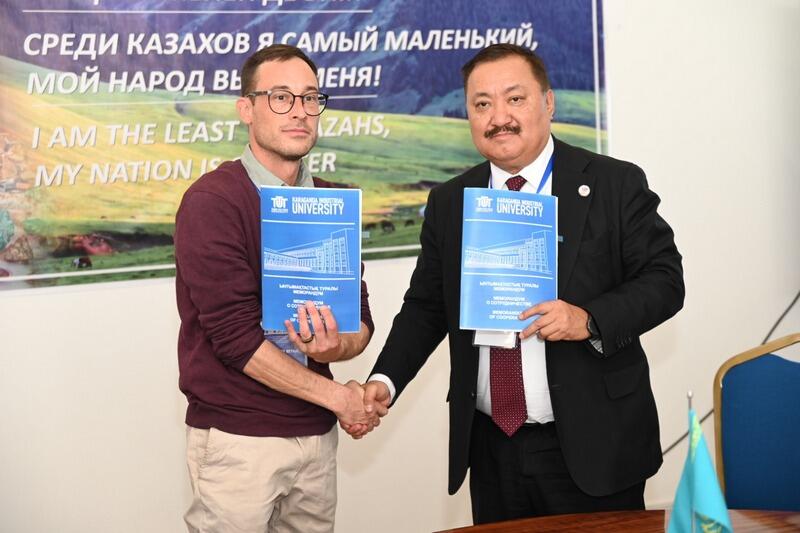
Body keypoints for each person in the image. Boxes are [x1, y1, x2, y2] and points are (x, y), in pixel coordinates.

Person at [358, 43, 685, 524]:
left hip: (593, 445)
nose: (499, 118)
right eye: (482, 104)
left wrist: (588, 319)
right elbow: (427, 306)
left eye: (515, 99)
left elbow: (664, 280)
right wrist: (384, 380)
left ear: (548, 103)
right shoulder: (451, 201)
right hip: (492, 448)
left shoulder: (613, 183)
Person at [174, 44, 380, 533]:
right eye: (281, 97)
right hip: (240, 441)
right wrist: (340, 398)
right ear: (246, 109)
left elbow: (359, 320)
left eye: (310, 98)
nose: (300, 111)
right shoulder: (213, 201)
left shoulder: (330, 199)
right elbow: (235, 340)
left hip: (317, 437)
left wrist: (335, 346)